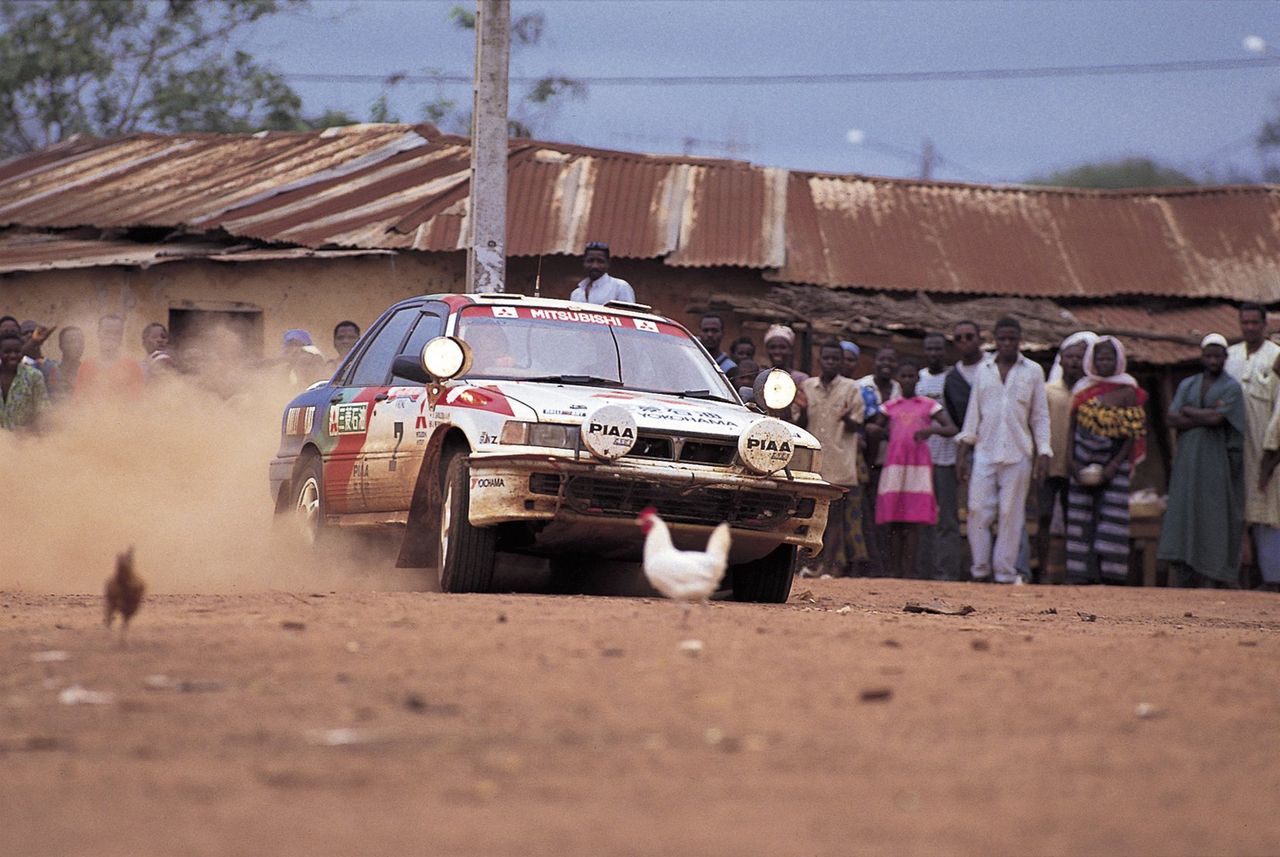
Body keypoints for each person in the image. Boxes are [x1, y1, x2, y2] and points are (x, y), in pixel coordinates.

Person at [957, 317, 1051, 584]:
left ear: (1019, 340)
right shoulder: (984, 370)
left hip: (1019, 453)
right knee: (978, 510)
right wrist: (963, 451)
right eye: (1003, 339)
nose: (1007, 343)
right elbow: (973, 414)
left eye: (1012, 339)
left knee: (1011, 514)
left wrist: (1044, 451)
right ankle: (980, 570)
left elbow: (1040, 416)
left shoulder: (1032, 371)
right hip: (985, 451)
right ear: (995, 340)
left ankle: (1005, 573)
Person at [1159, 334, 1246, 588]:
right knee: (1184, 510)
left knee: (1213, 514)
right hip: (1187, 458)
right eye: (1208, 355)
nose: (1213, 360)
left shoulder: (1231, 387)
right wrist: (1205, 414)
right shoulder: (1188, 384)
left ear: (1225, 358)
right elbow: (1172, 418)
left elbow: (1217, 421)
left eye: (1218, 356)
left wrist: (1190, 411)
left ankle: (1211, 573)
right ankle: (1184, 571)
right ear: (1202, 357)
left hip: (1215, 459)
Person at [1064, 336, 1147, 584]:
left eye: (1109, 358)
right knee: (1081, 519)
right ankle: (1080, 574)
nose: (1104, 362)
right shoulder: (1082, 388)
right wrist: (1071, 461)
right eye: (1099, 358)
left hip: (1114, 463)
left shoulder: (1128, 391)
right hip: (1081, 461)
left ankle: (1110, 576)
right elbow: (1071, 427)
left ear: (1119, 360)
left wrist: (1114, 464)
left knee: (1111, 520)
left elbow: (1132, 433)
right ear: (1092, 360)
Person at [877, 359, 958, 578]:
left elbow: (951, 428)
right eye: (902, 376)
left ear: (918, 379)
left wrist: (930, 431)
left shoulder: (928, 405)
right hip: (894, 465)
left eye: (911, 376)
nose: (907, 380)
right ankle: (894, 571)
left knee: (912, 520)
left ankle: (909, 572)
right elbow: (876, 426)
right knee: (895, 519)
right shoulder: (890, 406)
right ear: (898, 379)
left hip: (918, 467)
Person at [798, 341, 867, 577]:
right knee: (808, 515)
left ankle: (829, 566)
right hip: (812, 464)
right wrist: (804, 410)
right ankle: (811, 565)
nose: (830, 362)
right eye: (826, 358)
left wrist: (847, 418)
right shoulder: (807, 386)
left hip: (839, 462)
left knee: (835, 519)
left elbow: (858, 424)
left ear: (840, 361)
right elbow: (799, 424)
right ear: (820, 360)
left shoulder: (851, 388)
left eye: (835, 359)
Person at [1224, 302, 1280, 584]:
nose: (1249, 327)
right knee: (1237, 510)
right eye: (1244, 323)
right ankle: (1240, 577)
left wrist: (1272, 453)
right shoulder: (1230, 356)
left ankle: (1272, 578)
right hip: (1235, 448)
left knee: (1270, 512)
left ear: (1265, 324)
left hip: (1269, 448)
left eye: (1254, 323)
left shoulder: (1276, 357)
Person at [1040, 331, 1096, 582]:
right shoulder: (1047, 390)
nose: (1073, 362)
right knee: (1044, 517)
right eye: (1069, 357)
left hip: (1077, 466)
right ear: (1060, 361)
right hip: (1049, 465)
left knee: (1075, 520)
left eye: (1079, 357)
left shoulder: (1089, 392)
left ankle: (1073, 574)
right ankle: (1041, 572)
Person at [914, 333, 962, 580]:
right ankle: (925, 571)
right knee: (924, 517)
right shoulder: (919, 379)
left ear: (945, 351)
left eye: (938, 349)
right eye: (929, 349)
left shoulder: (954, 377)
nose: (934, 354)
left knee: (948, 518)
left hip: (948, 457)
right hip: (922, 459)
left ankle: (948, 573)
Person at [76, 315, 145, 399]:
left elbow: (138, 402)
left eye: (117, 333)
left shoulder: (132, 367)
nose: (111, 337)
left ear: (121, 337)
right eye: (107, 332)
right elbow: (78, 402)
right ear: (98, 333)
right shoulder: (86, 366)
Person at [0, 330, 49, 431]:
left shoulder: (34, 376)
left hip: (26, 443)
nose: (13, 355)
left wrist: (28, 430)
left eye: (17, 351)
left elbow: (44, 413)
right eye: (7, 352)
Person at [570, 241, 634, 305]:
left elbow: (629, 313)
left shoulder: (620, 287)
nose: (595, 266)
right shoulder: (576, 294)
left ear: (608, 263)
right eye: (590, 261)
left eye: (600, 261)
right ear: (584, 262)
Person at [45, 326, 84, 400]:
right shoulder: (49, 369)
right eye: (70, 342)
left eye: (80, 342)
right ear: (61, 346)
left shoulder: (87, 371)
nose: (77, 345)